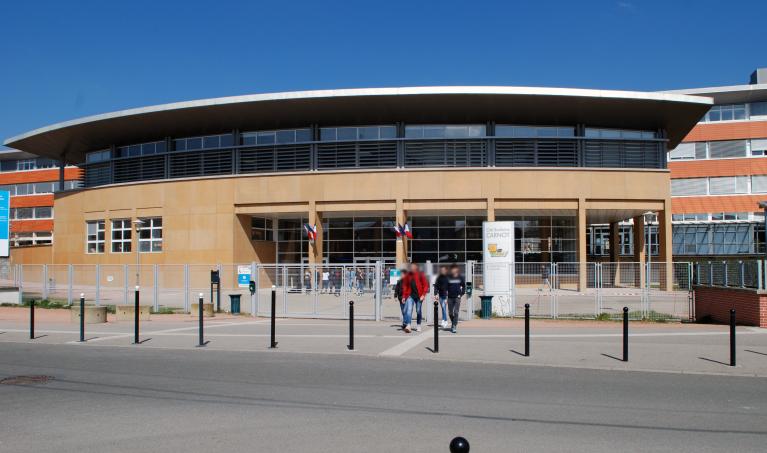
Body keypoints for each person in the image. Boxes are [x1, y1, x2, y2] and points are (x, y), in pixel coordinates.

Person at [400, 262, 429, 333]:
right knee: (409, 310)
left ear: (416, 267)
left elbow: (425, 285)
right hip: (410, 296)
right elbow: (405, 286)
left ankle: (418, 325)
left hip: (419, 296)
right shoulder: (408, 275)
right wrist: (404, 296)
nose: (411, 268)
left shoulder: (420, 274)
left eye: (413, 266)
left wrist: (423, 295)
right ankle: (408, 325)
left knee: (418, 311)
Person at [446, 264, 466, 333]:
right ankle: (453, 323)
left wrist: (461, 294)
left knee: (456, 312)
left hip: (457, 297)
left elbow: (464, 286)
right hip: (450, 297)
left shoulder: (460, 277)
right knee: (450, 313)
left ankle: (454, 326)